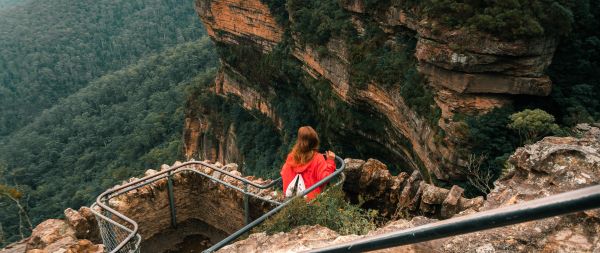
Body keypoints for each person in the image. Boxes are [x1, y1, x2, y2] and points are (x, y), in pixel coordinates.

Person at [280, 126, 336, 201]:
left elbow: (283, 173)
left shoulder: (291, 157)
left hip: (290, 200)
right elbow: (324, 178)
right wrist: (330, 161)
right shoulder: (318, 158)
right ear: (315, 140)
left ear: (299, 141)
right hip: (310, 202)